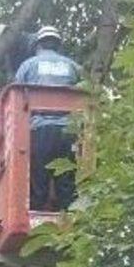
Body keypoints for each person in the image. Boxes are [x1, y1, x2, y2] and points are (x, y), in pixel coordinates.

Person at [15, 25, 80, 211]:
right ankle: (69, 216)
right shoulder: (73, 67)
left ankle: (36, 215)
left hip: (40, 131)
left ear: (38, 45)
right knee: (66, 181)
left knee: (38, 179)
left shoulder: (28, 65)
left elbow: (16, 96)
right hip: (68, 132)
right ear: (58, 45)